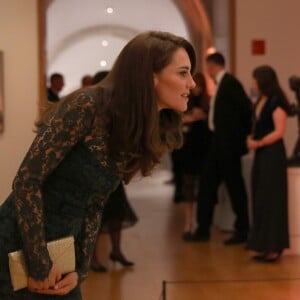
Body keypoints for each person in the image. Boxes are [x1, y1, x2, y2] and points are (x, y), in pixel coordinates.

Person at [0, 31, 196, 299]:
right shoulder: (87, 106)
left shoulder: (132, 126)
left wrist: (79, 269)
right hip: (18, 244)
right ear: (150, 77)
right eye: (183, 73)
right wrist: (39, 263)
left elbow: (94, 203)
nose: (192, 83)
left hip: (61, 254)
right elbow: (27, 181)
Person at [186, 52, 252, 245]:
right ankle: (202, 229)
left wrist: (237, 138)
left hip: (228, 146)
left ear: (214, 65)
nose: (207, 70)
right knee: (207, 185)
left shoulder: (230, 83)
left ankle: (242, 230)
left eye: (208, 66)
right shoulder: (220, 85)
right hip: (217, 144)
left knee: (234, 187)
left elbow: (245, 110)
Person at [90, 70, 138, 272]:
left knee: (116, 211)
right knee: (96, 217)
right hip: (94, 171)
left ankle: (116, 251)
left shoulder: (115, 108)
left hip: (112, 169)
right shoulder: (92, 109)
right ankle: (92, 258)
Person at [246, 65, 290, 262]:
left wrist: (259, 142)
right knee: (261, 196)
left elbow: (279, 131)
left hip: (272, 154)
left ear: (263, 80)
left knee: (272, 199)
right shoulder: (262, 99)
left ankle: (274, 247)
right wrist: (251, 139)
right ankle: (263, 245)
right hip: (262, 153)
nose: (253, 82)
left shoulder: (276, 101)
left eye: (255, 79)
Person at [181, 72, 210, 239]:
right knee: (188, 185)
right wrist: (192, 117)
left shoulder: (208, 102)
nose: (197, 88)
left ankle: (200, 222)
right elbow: (178, 120)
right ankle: (188, 222)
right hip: (189, 148)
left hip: (204, 148)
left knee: (203, 187)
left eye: (200, 85)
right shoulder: (186, 101)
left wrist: (203, 116)